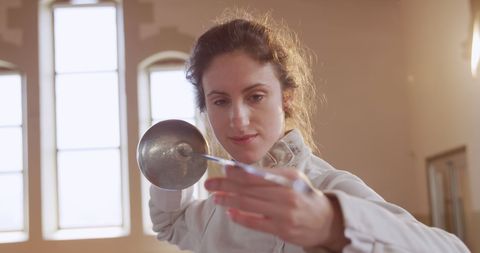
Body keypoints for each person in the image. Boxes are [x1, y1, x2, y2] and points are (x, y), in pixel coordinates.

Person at [149, 10, 470, 253]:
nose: (238, 119)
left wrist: (331, 223)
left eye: (255, 96)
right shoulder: (218, 205)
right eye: (220, 101)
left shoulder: (325, 188)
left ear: (286, 98)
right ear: (205, 107)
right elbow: (170, 224)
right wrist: (169, 166)